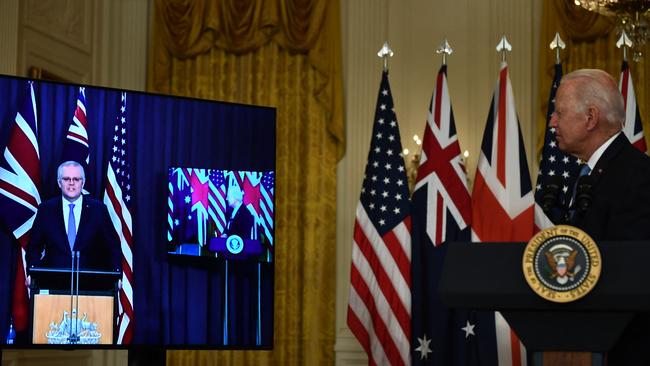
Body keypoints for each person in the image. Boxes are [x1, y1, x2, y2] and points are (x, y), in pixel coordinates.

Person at [549, 68, 650, 365]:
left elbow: (628, 266)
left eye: (559, 112)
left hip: (626, 347)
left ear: (590, 118)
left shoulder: (637, 175)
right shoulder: (587, 173)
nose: (552, 122)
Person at [26, 161, 121, 278]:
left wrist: (116, 276)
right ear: (59, 182)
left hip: (90, 284)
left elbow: (113, 247)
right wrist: (33, 273)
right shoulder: (46, 210)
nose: (71, 183)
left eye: (76, 179)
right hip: (54, 282)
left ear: (83, 182)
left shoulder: (98, 210)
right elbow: (33, 248)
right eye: (66, 179)